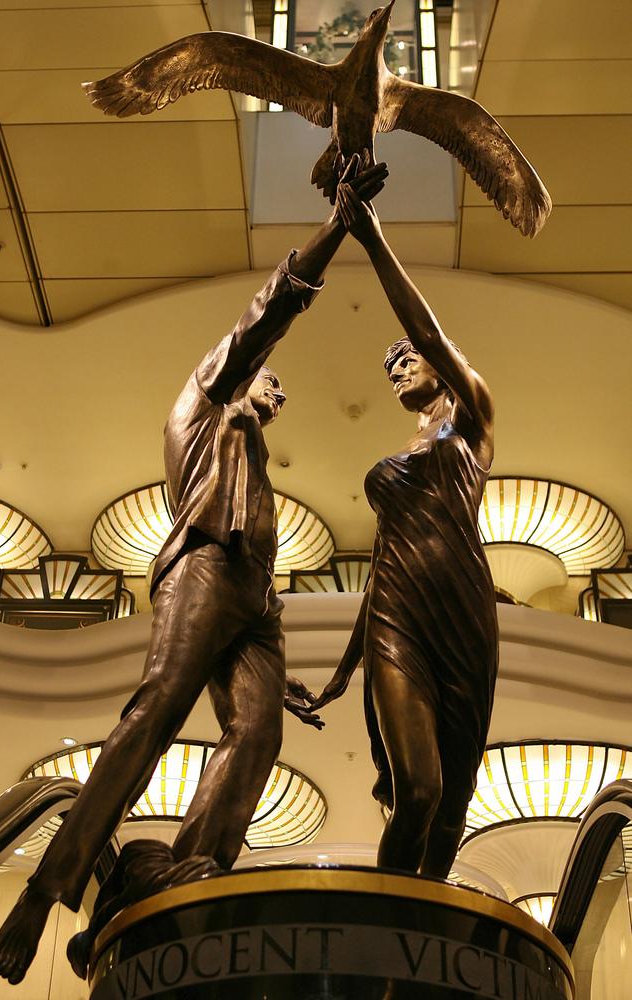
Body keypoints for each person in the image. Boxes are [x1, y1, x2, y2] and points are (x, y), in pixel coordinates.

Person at [0, 160, 388, 986]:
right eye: (268, 383)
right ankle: (46, 888)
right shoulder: (204, 404)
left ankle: (183, 879)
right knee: (158, 708)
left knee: (258, 734)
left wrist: (270, 669)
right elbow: (268, 312)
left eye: (280, 395)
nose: (275, 396)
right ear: (237, 376)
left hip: (255, 600)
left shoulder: (255, 460)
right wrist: (337, 228)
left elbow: (258, 560)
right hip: (203, 563)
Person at [311, 181, 498, 879]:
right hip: (397, 613)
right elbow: (382, 566)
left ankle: (428, 935)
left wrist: (372, 236)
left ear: (442, 369)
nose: (395, 369)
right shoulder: (403, 457)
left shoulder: (471, 417)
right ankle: (389, 933)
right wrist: (339, 673)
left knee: (452, 802)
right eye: (388, 368)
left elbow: (427, 330)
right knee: (417, 791)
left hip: (461, 607)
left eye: (405, 361)